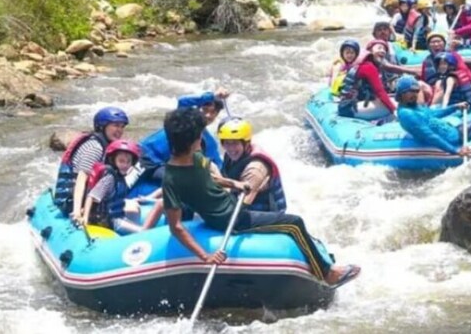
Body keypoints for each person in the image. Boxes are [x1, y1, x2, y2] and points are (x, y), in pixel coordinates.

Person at [161, 107, 360, 288]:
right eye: (199, 135)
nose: (201, 139)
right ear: (191, 141)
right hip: (230, 219)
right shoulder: (172, 178)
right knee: (294, 223)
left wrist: (233, 183)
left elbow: (210, 178)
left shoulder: (195, 158)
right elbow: (176, 226)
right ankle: (328, 274)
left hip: (231, 205)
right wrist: (206, 257)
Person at [54, 106, 129, 218]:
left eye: (122, 126)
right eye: (116, 125)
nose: (120, 130)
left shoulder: (106, 145)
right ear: (102, 126)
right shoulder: (95, 147)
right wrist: (77, 211)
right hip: (71, 201)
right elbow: (81, 178)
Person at [140, 89, 228, 182]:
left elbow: (216, 164)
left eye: (213, 112)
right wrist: (212, 96)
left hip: (164, 165)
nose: (208, 115)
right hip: (148, 157)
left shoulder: (209, 141)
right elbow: (183, 101)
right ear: (197, 109)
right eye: (205, 110)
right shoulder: (183, 120)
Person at [78, 140, 163, 233]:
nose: (125, 165)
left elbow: (116, 198)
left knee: (135, 209)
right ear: (113, 161)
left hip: (118, 216)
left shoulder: (122, 178)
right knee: (142, 231)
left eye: (128, 162)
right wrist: (85, 218)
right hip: (111, 220)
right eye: (121, 161)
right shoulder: (109, 179)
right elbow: (92, 196)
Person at [218, 118, 287, 213]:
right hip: (249, 207)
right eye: (227, 143)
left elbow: (242, 206)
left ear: (246, 144)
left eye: (235, 143)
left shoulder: (255, 169)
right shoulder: (230, 157)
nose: (231, 148)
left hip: (266, 214)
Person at [338, 39, 398, 120]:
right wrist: (394, 110)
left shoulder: (353, 66)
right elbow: (380, 92)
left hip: (345, 105)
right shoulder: (369, 67)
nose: (383, 51)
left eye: (384, 50)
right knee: (396, 104)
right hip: (350, 108)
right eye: (379, 48)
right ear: (370, 51)